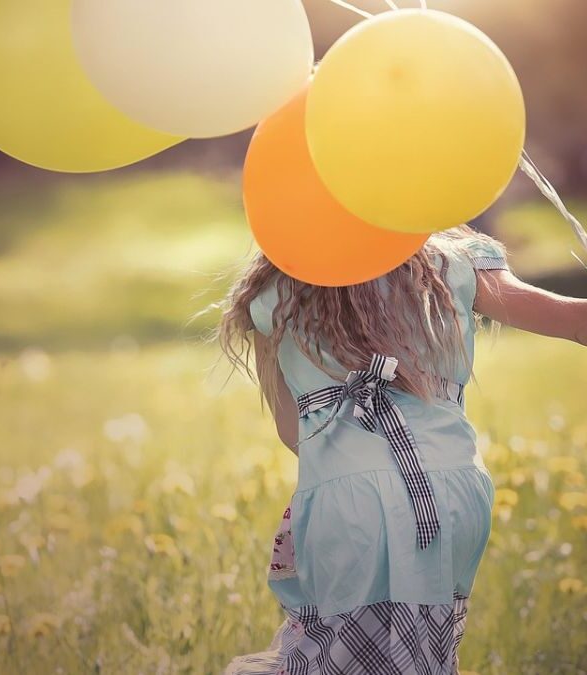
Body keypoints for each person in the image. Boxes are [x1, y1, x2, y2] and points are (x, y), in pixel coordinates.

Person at [215, 223, 587, 674]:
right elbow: (573, 319)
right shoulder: (452, 259)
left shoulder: (275, 288)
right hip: (451, 486)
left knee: (335, 656)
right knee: (423, 654)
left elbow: (291, 429)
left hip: (346, 496)